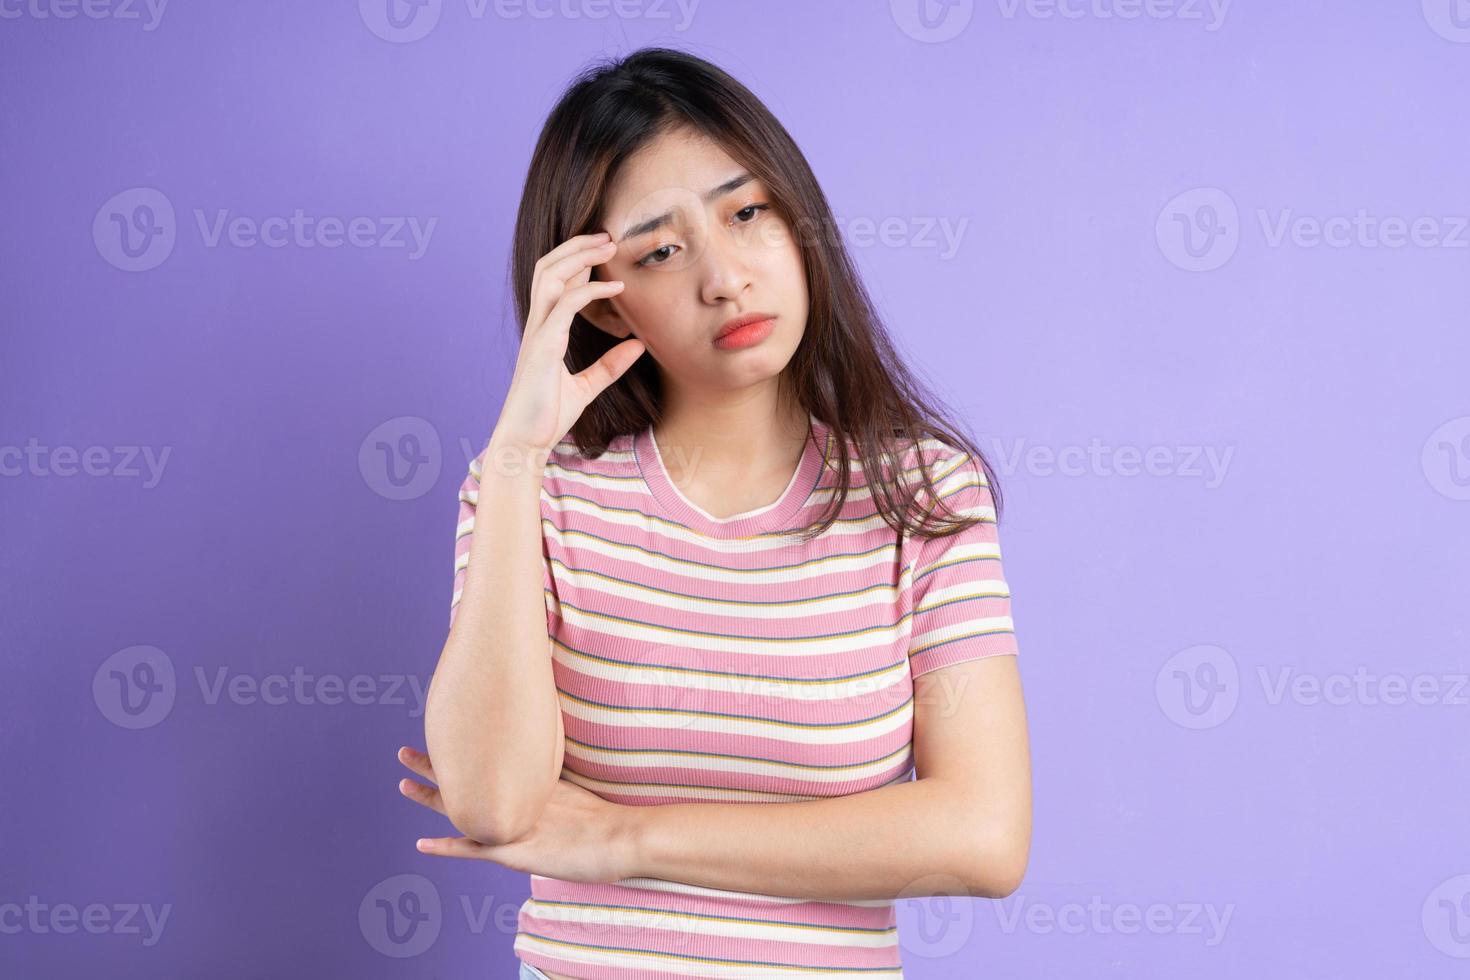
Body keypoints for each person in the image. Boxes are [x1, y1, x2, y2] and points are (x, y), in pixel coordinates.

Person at [399, 46, 1032, 979]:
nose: (725, 277)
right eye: (661, 250)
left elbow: (983, 834)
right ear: (606, 305)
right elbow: (492, 803)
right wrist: (516, 456)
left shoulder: (923, 495)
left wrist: (627, 842)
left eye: (747, 214)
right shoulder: (532, 494)